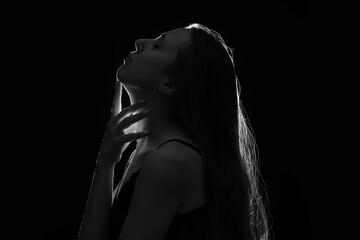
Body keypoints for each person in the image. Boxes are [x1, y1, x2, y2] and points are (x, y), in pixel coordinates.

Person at [78, 23, 270, 240]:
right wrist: (106, 162)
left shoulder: (169, 161)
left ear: (169, 84)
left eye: (158, 46)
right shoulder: (151, 153)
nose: (140, 43)